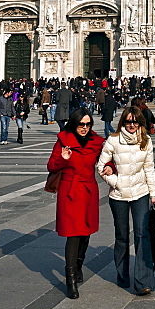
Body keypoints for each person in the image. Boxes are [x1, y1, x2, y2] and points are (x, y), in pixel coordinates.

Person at [97, 105, 155, 296]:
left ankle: (143, 281)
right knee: (122, 236)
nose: (132, 125)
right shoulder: (113, 140)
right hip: (118, 195)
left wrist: (153, 194)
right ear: (123, 122)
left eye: (135, 121)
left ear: (140, 123)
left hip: (140, 193)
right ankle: (122, 274)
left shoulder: (146, 141)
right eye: (128, 121)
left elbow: (149, 168)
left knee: (142, 234)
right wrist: (115, 182)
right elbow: (100, 166)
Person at [46, 107, 105, 299]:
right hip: (69, 191)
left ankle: (79, 265)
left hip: (88, 191)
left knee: (85, 233)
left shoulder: (96, 142)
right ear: (74, 123)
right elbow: (51, 166)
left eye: (88, 124)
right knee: (73, 234)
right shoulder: (64, 141)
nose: (85, 128)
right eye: (81, 124)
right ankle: (70, 279)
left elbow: (105, 160)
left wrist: (110, 168)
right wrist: (63, 160)